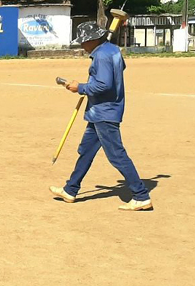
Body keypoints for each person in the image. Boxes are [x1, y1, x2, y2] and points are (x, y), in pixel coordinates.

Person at [50, 22, 151, 211]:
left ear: (93, 39)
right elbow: (119, 69)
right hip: (98, 112)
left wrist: (79, 87)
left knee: (116, 155)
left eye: (84, 42)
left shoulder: (102, 56)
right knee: (86, 151)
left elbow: (104, 85)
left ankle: (141, 195)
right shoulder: (111, 51)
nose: (82, 45)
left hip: (105, 112)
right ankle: (70, 189)